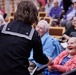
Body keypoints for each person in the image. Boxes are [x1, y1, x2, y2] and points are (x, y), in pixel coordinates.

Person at [0, 1, 52, 75]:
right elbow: (38, 58)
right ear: (34, 15)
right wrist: (48, 60)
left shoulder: (3, 28)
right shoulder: (33, 34)